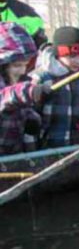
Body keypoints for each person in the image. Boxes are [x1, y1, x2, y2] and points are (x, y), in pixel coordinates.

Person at [31, 26, 79, 148]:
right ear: (58, 55)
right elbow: (31, 114)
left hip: (77, 144)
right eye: (72, 56)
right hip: (48, 145)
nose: (78, 61)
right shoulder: (42, 78)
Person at [0, 22, 49, 154]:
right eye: (17, 65)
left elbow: (19, 108)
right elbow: (5, 97)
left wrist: (32, 118)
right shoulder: (19, 88)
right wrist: (25, 92)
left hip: (14, 154)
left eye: (25, 65)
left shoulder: (22, 79)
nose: (22, 70)